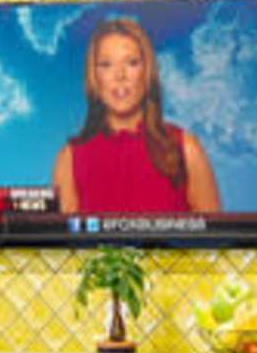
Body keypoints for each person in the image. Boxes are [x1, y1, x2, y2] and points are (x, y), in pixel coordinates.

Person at [51, 12, 223, 217]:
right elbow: (64, 246)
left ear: (147, 72)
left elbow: (215, 241)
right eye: (106, 65)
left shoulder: (186, 149)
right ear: (94, 77)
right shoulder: (70, 158)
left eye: (132, 63)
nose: (120, 76)